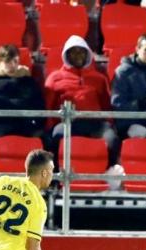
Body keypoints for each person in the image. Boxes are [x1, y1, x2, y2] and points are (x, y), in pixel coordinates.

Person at [44, 35, 118, 167]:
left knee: (112, 139)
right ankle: (55, 176)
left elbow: (106, 105)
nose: (78, 55)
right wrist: (50, 126)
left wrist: (110, 123)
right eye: (74, 52)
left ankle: (108, 172)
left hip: (95, 123)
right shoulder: (55, 78)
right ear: (67, 55)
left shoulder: (99, 78)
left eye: (82, 51)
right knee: (55, 136)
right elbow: (48, 107)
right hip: (68, 123)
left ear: (87, 54)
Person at [0, 44, 47, 171]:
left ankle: (48, 178)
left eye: (15, 61)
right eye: (7, 62)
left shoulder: (29, 82)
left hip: (26, 123)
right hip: (0, 123)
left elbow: (39, 105)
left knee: (45, 137)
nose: (12, 65)